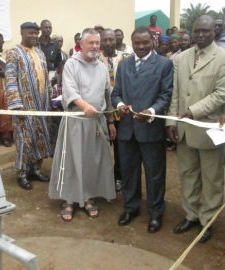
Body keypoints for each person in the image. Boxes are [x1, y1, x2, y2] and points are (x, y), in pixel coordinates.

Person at [166, 15, 225, 243]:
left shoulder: (221, 57)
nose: (200, 34)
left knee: (212, 179)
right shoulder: (181, 58)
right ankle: (190, 215)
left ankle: (206, 221)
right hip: (183, 129)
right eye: (197, 30)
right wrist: (171, 121)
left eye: (205, 31)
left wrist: (193, 111)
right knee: (187, 174)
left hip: (210, 128)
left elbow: (221, 94)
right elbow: (176, 93)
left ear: (215, 32)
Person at [49, 28, 116, 221]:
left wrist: (110, 121)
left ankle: (87, 196)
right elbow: (70, 91)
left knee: (90, 161)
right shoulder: (71, 64)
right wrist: (85, 106)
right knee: (72, 160)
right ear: (82, 44)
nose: (95, 46)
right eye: (91, 43)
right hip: (75, 122)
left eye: (97, 43)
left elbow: (107, 96)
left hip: (96, 123)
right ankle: (69, 199)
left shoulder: (102, 67)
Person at [111, 26, 173, 233]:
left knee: (154, 174)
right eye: (136, 43)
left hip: (151, 130)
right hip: (127, 130)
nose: (141, 46)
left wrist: (152, 111)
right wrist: (120, 106)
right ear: (132, 42)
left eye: (145, 42)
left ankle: (156, 213)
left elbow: (166, 95)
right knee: (129, 171)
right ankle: (131, 208)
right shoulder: (124, 64)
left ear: (153, 42)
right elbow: (116, 93)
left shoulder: (164, 64)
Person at [5, 22, 53, 190]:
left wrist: (50, 98)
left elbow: (45, 78)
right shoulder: (13, 53)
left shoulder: (40, 53)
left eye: (36, 33)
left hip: (42, 104)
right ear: (22, 33)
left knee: (39, 137)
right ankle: (22, 173)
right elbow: (10, 79)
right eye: (30, 33)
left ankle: (35, 169)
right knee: (24, 139)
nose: (34, 36)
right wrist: (16, 104)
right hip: (24, 105)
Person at [98, 28, 130, 192]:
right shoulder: (95, 59)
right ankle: (101, 178)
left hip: (121, 113)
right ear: (101, 41)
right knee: (100, 148)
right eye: (105, 40)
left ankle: (119, 177)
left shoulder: (126, 58)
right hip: (100, 113)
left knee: (120, 148)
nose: (109, 43)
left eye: (111, 39)